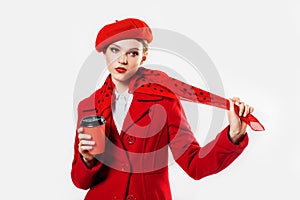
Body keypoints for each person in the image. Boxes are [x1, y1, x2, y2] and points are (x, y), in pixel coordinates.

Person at [71, 18, 255, 200]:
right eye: (115, 50)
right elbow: (80, 182)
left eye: (132, 53)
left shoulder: (164, 100)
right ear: (105, 53)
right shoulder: (88, 106)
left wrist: (233, 136)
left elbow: (195, 165)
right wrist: (87, 159)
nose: (122, 60)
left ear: (143, 57)